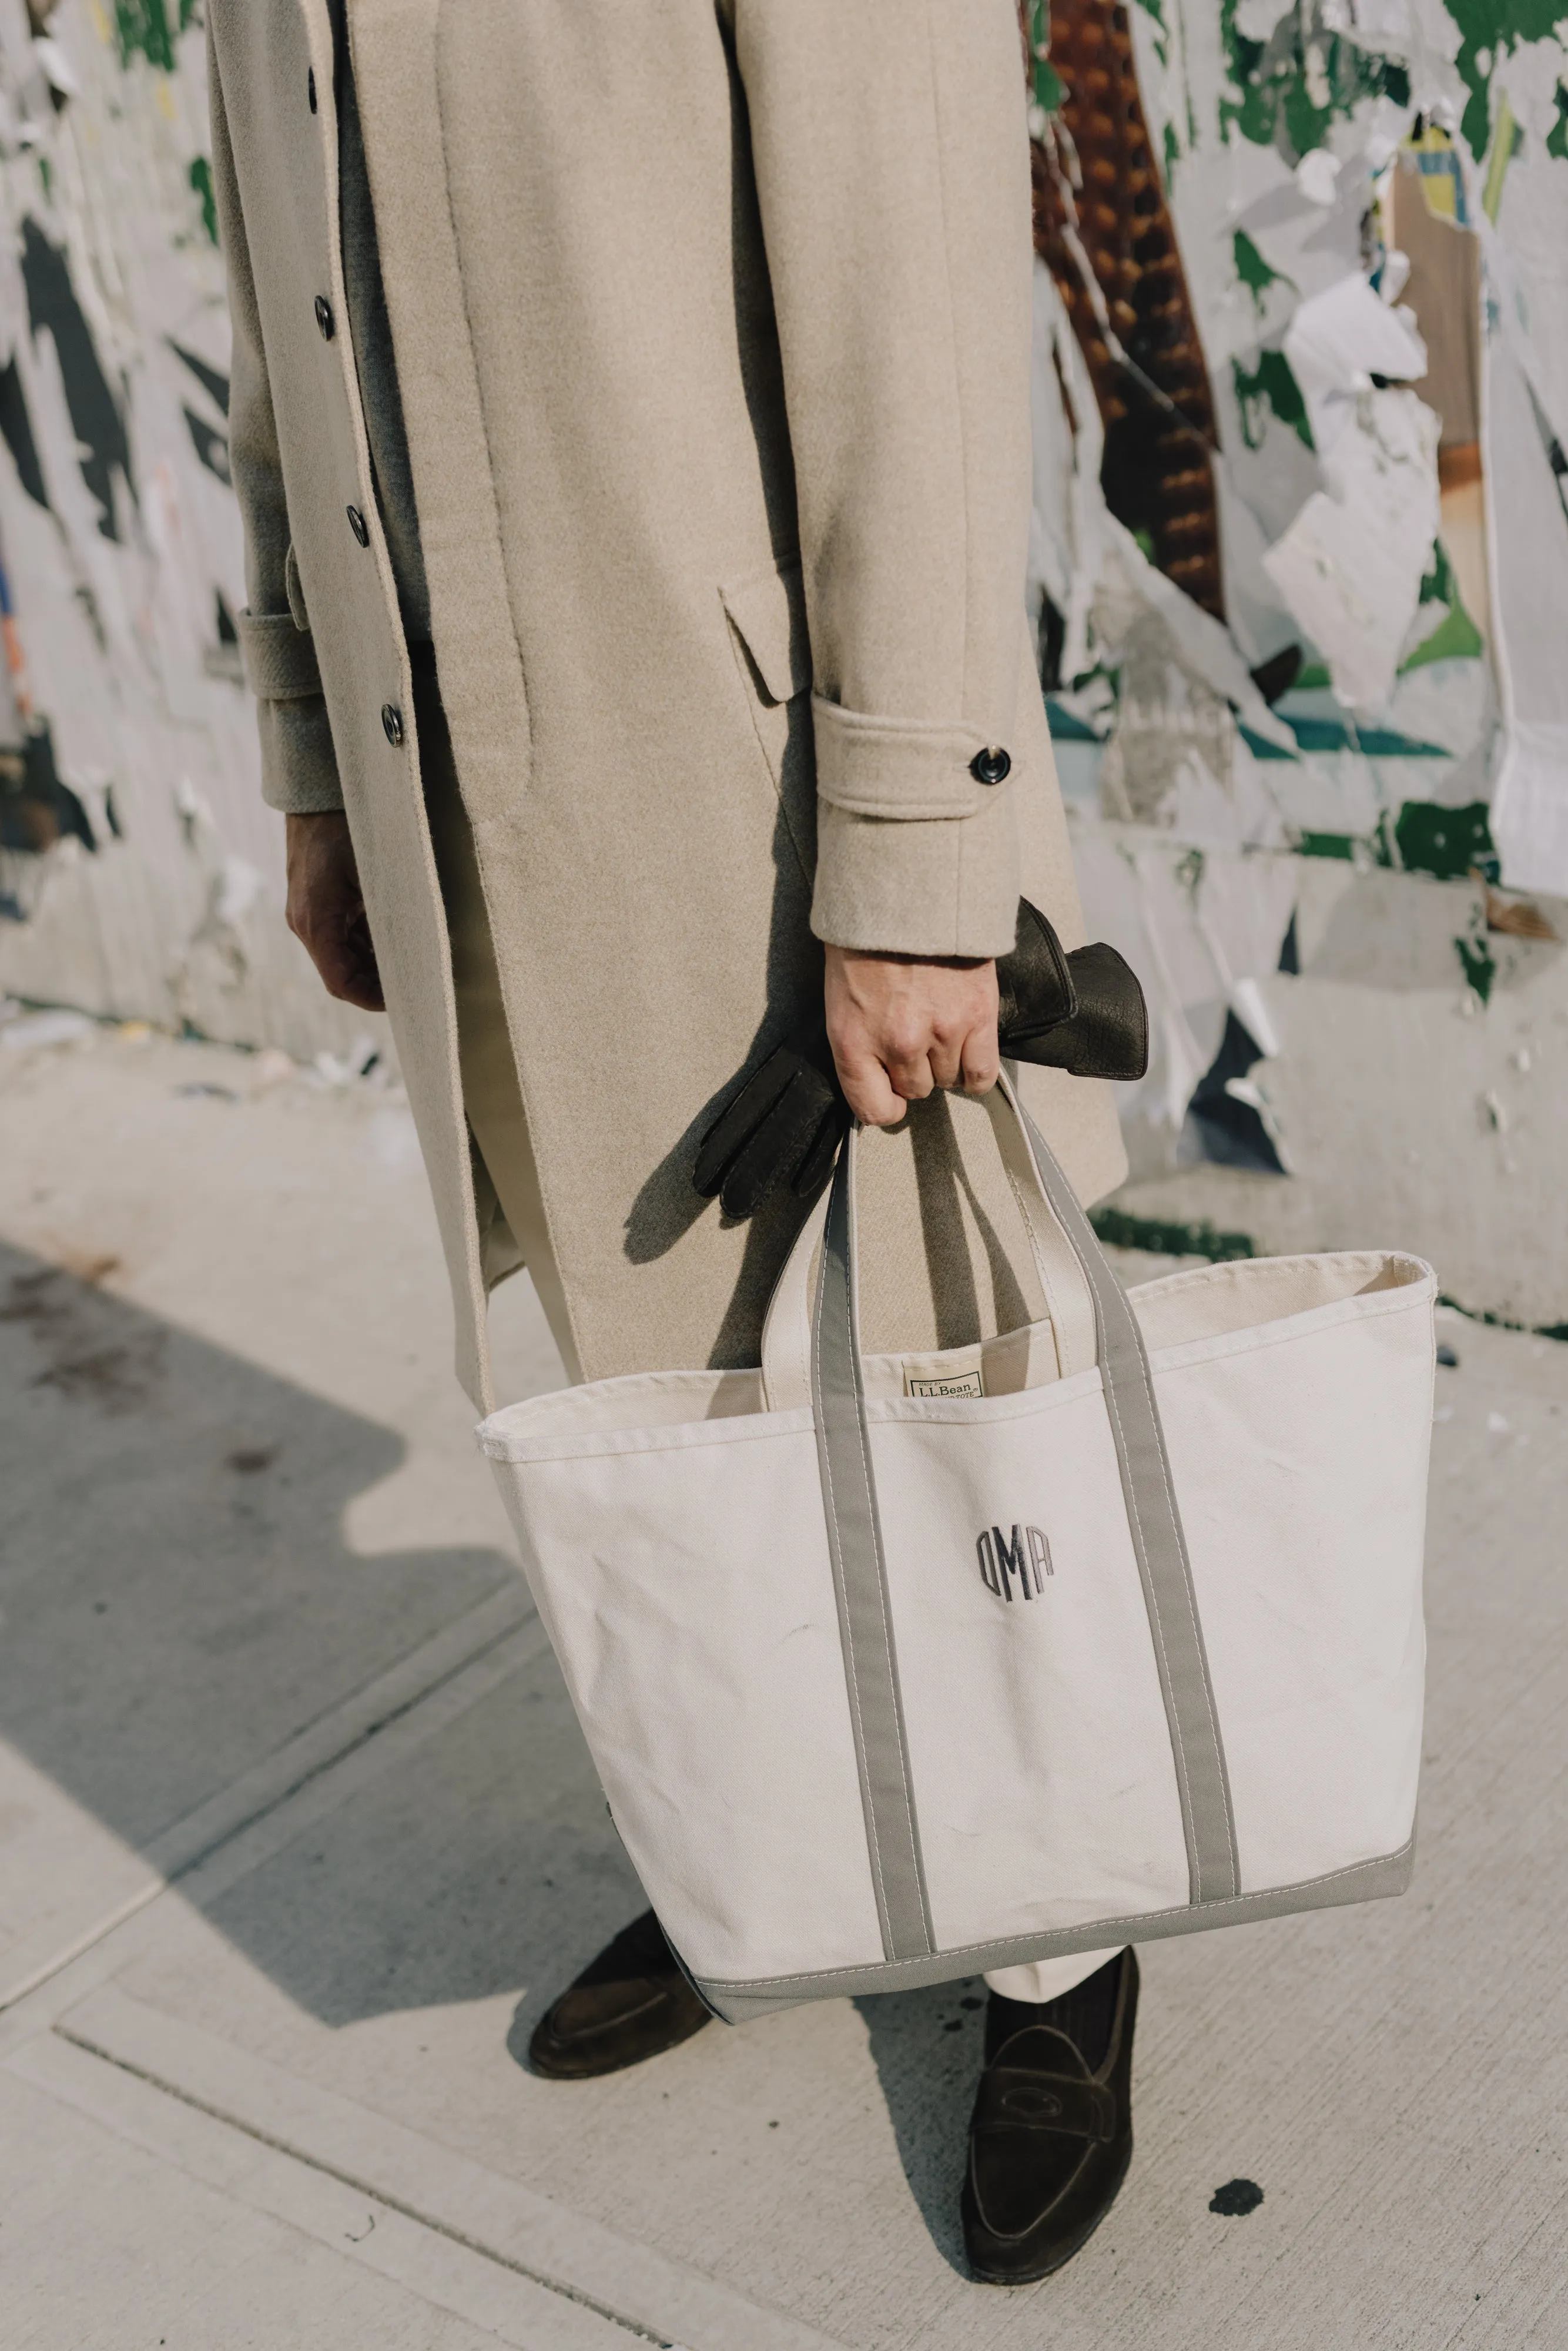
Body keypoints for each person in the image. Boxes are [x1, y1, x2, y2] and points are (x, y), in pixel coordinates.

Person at [209, 0, 1135, 2283]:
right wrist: (320, 754)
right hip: (472, 803)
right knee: (651, 1387)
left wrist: (917, 857)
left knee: (939, 1393)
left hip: (758, 792)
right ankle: (787, 1849)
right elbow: (277, 312)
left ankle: (1056, 1942)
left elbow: (909, 293)